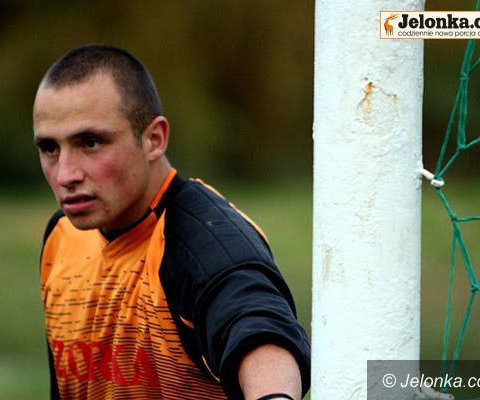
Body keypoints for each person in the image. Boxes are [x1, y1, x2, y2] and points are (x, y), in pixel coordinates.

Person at [33, 44, 310, 400]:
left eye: (90, 142)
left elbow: (260, 331)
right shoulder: (62, 236)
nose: (65, 174)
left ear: (154, 139)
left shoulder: (204, 244)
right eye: (50, 148)